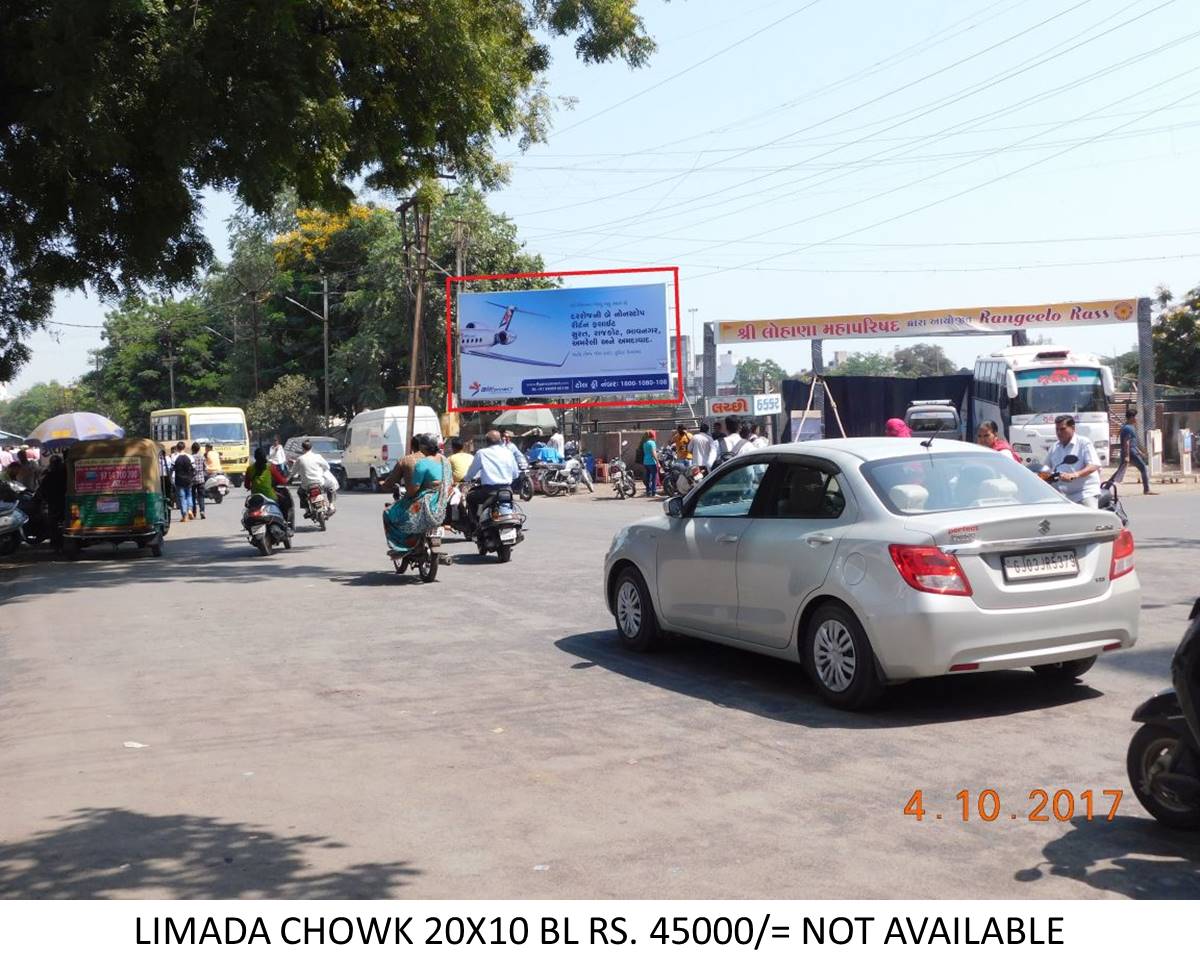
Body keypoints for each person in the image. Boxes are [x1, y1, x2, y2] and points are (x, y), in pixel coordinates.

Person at [382, 434, 451, 553]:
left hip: (425, 504)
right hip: (443, 504)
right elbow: (450, 482)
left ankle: (401, 547)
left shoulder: (422, 463)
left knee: (389, 513)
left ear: (422, 447)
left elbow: (413, 490)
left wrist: (405, 500)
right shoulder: (446, 461)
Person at [464, 430, 520, 530]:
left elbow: (471, 473)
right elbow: (515, 474)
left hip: (489, 491)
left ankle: (475, 525)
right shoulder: (508, 452)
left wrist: (466, 478)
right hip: (507, 490)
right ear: (500, 440)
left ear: (487, 442)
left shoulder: (481, 453)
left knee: (470, 497)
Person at [1045, 414, 1102, 508]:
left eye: (1062, 429)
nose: (1059, 432)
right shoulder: (1055, 447)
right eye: (1057, 429)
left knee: (1091, 518)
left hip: (1084, 493)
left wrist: (1074, 475)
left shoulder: (1083, 443)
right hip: (1062, 495)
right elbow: (1045, 468)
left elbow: (1094, 465)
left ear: (1073, 428)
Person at [244, 447, 293, 527]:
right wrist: (286, 480)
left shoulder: (250, 469)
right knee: (285, 503)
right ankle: (285, 524)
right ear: (265, 456)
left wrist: (251, 486)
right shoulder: (270, 467)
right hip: (270, 497)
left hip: (256, 498)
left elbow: (246, 485)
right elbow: (282, 481)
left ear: (255, 457)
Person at [1115, 406, 1155, 495]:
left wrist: (1139, 452)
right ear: (1132, 417)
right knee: (1143, 468)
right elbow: (1127, 443)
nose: (1137, 418)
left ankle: (1106, 487)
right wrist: (1127, 456)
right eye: (1136, 416)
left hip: (1131, 451)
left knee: (1120, 471)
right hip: (1130, 452)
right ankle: (1146, 489)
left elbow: (1132, 442)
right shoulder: (1128, 428)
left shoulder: (1128, 427)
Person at [289, 438, 334, 515]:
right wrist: (321, 470)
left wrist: (289, 478)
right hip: (320, 483)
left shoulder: (300, 459)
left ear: (303, 448)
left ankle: (307, 510)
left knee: (300, 492)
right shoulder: (318, 456)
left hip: (306, 485)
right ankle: (331, 505)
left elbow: (292, 472)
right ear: (311, 448)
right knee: (331, 486)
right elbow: (327, 467)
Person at [34, 454, 67, 548]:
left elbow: (43, 488)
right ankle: (57, 544)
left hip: (57, 502)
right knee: (56, 523)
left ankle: (56, 544)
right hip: (59, 502)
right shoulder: (63, 473)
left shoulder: (52, 474)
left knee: (54, 523)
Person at [172, 445, 196, 520]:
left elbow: (171, 469)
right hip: (188, 480)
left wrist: (171, 478)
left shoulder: (174, 457)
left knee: (182, 497)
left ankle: (184, 515)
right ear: (184, 448)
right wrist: (191, 477)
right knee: (189, 495)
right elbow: (194, 468)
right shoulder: (190, 456)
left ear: (177, 448)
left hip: (179, 480)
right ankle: (189, 510)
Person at [188, 442, 208, 520]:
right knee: (201, 496)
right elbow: (205, 467)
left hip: (192, 479)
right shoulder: (202, 457)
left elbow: (189, 468)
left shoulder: (190, 457)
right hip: (201, 479)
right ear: (199, 449)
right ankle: (202, 511)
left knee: (192, 496)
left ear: (192, 449)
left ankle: (194, 512)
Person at [640, 429, 658, 496]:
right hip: (652, 462)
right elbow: (653, 453)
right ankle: (654, 492)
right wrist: (657, 461)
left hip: (646, 462)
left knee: (648, 478)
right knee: (654, 478)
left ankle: (648, 491)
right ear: (653, 436)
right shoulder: (652, 443)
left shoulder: (645, 443)